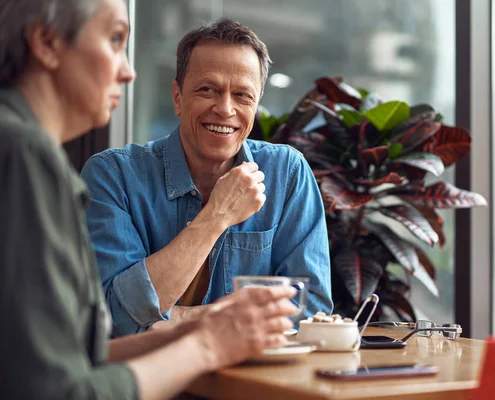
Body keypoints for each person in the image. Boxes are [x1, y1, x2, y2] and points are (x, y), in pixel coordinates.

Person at [0, 1, 298, 399]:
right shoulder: (24, 153)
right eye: (115, 39)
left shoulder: (26, 150)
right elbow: (59, 390)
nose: (128, 71)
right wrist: (207, 345)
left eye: (243, 94)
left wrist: (199, 327)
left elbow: (79, 357)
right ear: (47, 42)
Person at [81, 18, 333, 336]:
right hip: (151, 382)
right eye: (207, 90)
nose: (225, 109)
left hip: (256, 381)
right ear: (177, 97)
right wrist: (217, 216)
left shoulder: (287, 173)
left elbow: (310, 310)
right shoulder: (113, 175)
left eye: (243, 95)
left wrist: (176, 319)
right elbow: (115, 317)